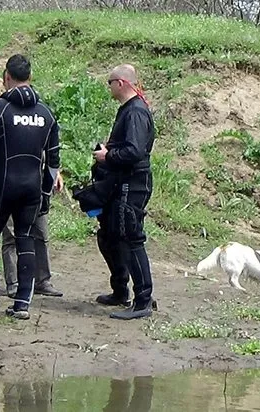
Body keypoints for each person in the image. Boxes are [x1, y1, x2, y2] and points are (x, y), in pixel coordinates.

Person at [0, 54, 60, 320]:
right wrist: (46, 193)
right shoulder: (46, 113)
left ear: (6, 77)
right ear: (30, 77)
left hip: (2, 186)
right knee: (25, 240)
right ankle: (21, 306)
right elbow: (53, 162)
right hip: (31, 188)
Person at [91, 64, 156, 320]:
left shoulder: (136, 112)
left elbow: (135, 151)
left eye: (110, 83)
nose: (109, 87)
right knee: (109, 235)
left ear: (120, 83)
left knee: (131, 238)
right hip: (121, 182)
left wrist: (109, 155)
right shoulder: (129, 110)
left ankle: (143, 300)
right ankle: (121, 290)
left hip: (134, 183)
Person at [0, 172, 64, 298]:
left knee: (41, 234)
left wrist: (55, 172)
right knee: (11, 238)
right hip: (8, 182)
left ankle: (42, 281)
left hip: (37, 185)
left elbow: (50, 153)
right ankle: (14, 284)